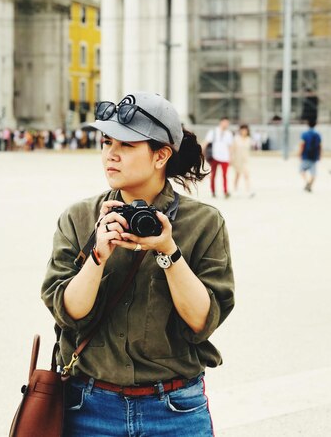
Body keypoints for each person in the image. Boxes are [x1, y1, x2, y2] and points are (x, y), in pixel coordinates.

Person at [41, 92, 235, 437]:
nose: (110, 155)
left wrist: (168, 251)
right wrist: (98, 255)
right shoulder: (79, 218)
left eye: (127, 145)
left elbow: (203, 321)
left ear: (161, 155)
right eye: (106, 141)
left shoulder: (203, 223)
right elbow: (67, 312)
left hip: (175, 411)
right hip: (88, 408)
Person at [202, 117, 233, 198]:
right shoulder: (213, 132)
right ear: (221, 122)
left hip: (225, 157)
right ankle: (213, 191)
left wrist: (230, 157)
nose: (225, 124)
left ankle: (225, 191)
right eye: (224, 122)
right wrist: (201, 151)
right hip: (214, 156)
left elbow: (230, 146)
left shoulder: (229, 133)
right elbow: (206, 142)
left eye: (227, 123)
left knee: (225, 175)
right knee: (213, 174)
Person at [230, 124, 254, 197]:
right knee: (237, 175)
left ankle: (248, 190)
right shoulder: (236, 138)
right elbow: (232, 148)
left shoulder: (249, 139)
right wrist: (231, 158)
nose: (244, 131)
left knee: (246, 174)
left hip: (245, 160)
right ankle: (235, 189)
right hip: (237, 159)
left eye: (245, 130)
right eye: (242, 130)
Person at [299, 118, 321, 192]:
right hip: (314, 155)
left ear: (308, 124)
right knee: (313, 173)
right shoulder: (317, 134)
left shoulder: (305, 134)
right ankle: (310, 184)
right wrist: (320, 155)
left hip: (306, 155)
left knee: (301, 170)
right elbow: (320, 146)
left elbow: (302, 144)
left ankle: (307, 182)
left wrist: (300, 153)